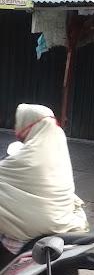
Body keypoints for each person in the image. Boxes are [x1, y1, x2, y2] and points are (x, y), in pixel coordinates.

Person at [0, 104, 88, 262]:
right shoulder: (56, 144)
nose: (15, 127)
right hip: (64, 222)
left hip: (33, 234)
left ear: (29, 123)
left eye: (18, 122)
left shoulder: (30, 155)